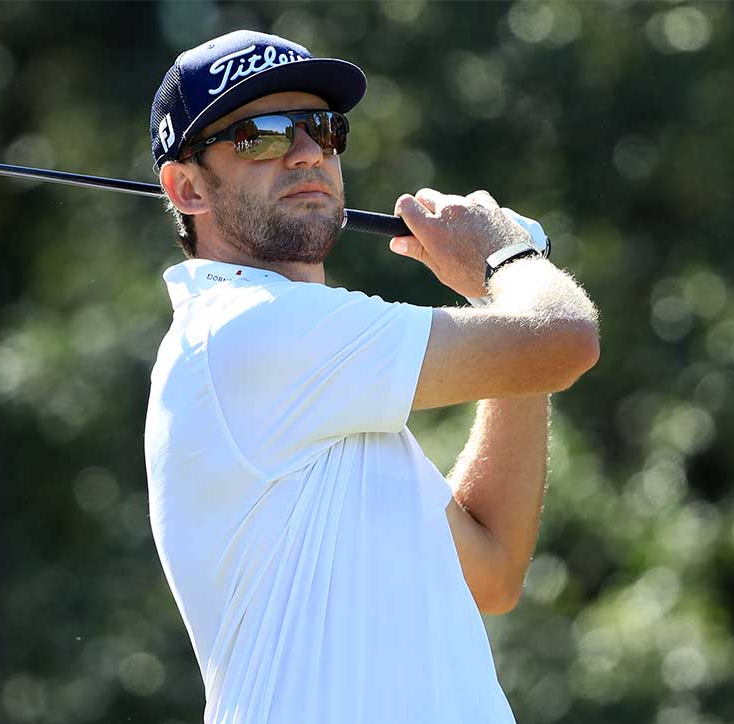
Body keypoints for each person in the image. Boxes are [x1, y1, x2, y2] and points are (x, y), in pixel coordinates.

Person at [144, 30, 599, 723]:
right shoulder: (244, 330)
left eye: (322, 129)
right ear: (187, 188)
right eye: (260, 136)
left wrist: (496, 288)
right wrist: (509, 256)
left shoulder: (329, 394)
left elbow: (492, 568)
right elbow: (565, 339)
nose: (305, 153)